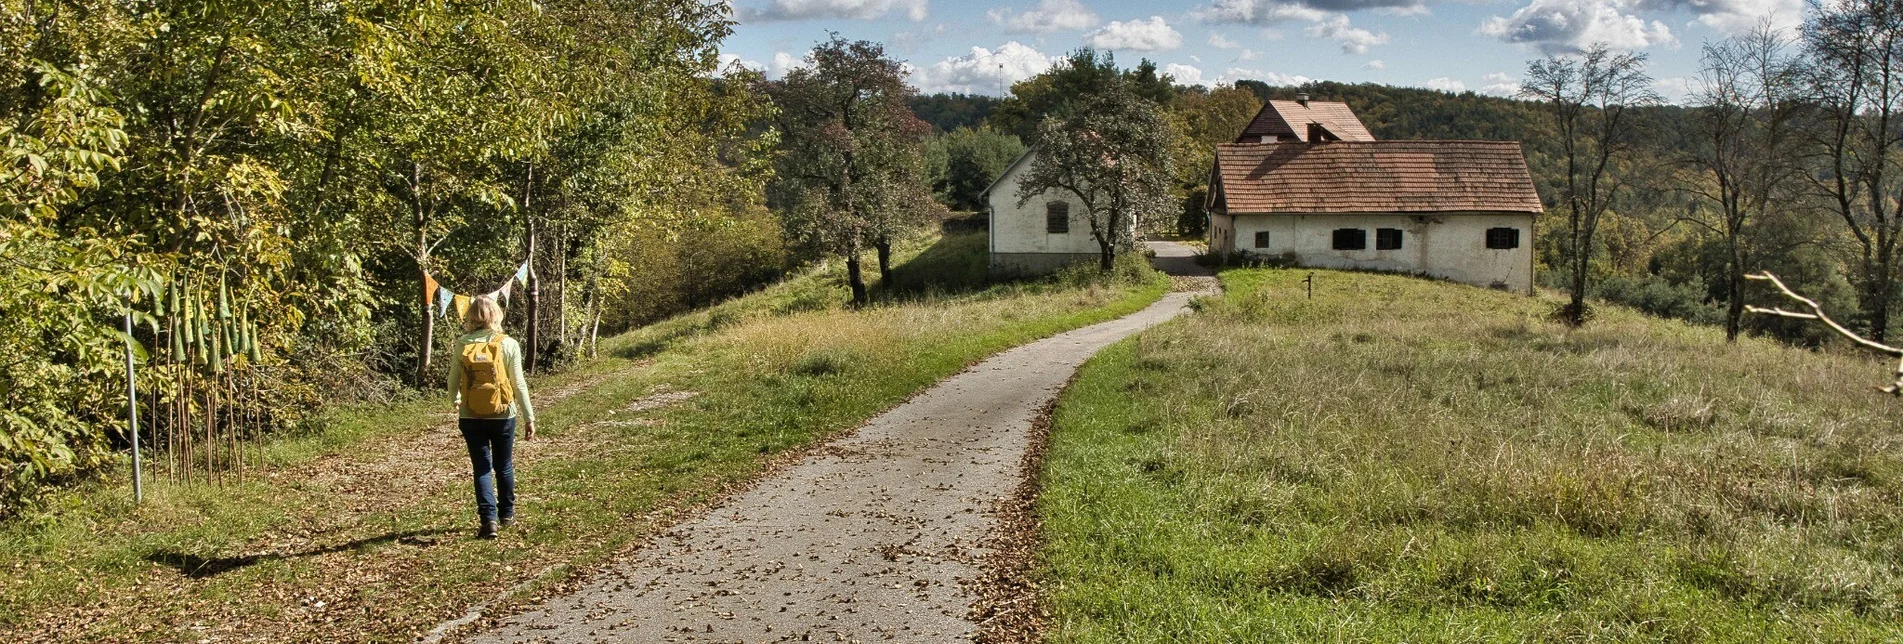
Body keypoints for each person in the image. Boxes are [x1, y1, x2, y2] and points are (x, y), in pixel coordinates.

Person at [447, 295, 535, 539]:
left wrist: (456, 401)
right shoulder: (509, 344)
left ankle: (488, 520)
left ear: (471, 316)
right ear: (497, 314)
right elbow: (519, 384)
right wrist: (529, 417)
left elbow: (452, 381)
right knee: (503, 465)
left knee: (482, 468)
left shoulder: (462, 344)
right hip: (504, 414)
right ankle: (507, 513)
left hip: (470, 416)